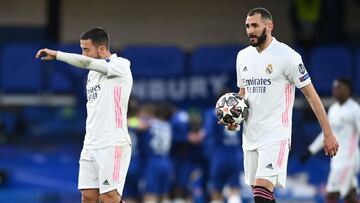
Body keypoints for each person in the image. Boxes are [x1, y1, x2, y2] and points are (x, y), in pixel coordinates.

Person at [221, 8, 339, 203]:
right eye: (247, 26)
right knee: (262, 195)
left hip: (276, 135)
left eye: (255, 26)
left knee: (260, 192)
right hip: (251, 136)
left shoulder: (288, 57)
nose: (250, 30)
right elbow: (242, 96)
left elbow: (311, 95)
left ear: (269, 26)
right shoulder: (242, 56)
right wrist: (234, 120)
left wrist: (327, 133)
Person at [36, 27, 133, 203]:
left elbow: (87, 63)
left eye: (86, 49)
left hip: (112, 142)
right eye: (82, 49)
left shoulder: (120, 66)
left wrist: (57, 55)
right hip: (91, 143)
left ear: (102, 49)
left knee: (109, 198)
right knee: (88, 197)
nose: (83, 54)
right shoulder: (92, 75)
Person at [301, 78, 360, 203]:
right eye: (334, 87)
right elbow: (327, 134)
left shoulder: (355, 110)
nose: (335, 90)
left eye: (339, 87)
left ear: (348, 90)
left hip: (348, 161)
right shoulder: (333, 110)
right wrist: (310, 151)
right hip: (337, 161)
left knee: (331, 195)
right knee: (350, 197)